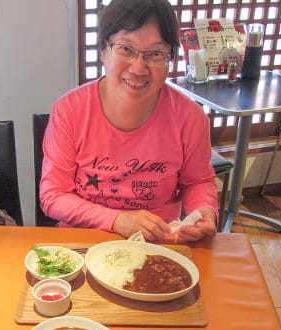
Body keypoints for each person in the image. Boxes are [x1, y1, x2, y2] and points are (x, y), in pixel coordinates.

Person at [40, 0, 218, 242]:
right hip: (81, 243)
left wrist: (204, 212)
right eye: (126, 49)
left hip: (155, 245)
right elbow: (53, 195)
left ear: (169, 58)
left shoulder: (190, 118)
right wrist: (117, 220)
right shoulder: (69, 111)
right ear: (103, 49)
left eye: (155, 54)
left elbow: (198, 182)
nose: (138, 68)